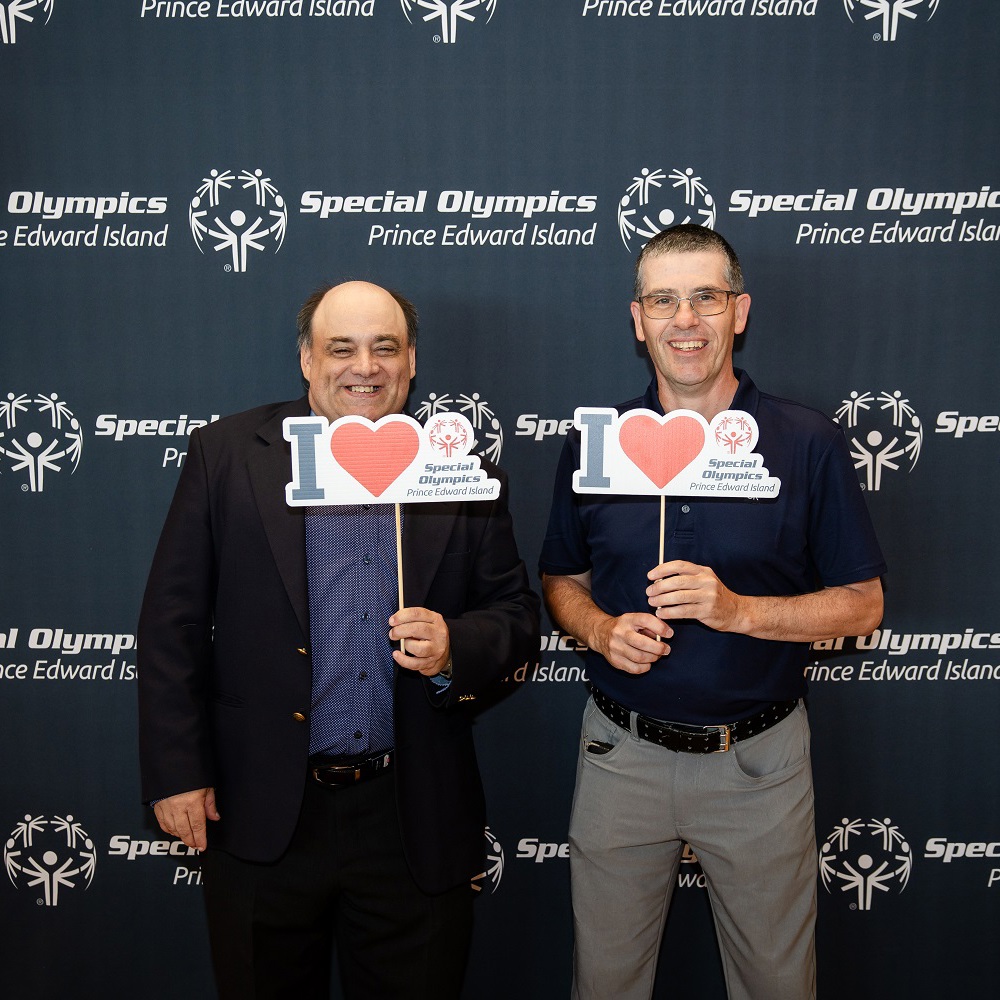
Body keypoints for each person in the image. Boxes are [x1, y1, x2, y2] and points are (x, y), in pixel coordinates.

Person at [138, 280, 539, 1000]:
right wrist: (175, 769)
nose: (365, 366)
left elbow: (514, 616)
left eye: (385, 347)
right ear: (305, 359)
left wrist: (455, 647)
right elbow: (172, 623)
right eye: (341, 348)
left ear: (411, 361)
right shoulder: (228, 455)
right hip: (260, 810)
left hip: (411, 814)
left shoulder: (462, 474)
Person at [539, 225, 885, 1000]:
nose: (685, 319)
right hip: (619, 756)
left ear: (740, 311)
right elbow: (560, 577)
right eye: (664, 299)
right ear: (638, 319)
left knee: (777, 985)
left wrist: (739, 611)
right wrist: (598, 629)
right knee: (605, 983)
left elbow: (864, 604)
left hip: (757, 764)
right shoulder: (598, 444)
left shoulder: (807, 442)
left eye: (705, 297)